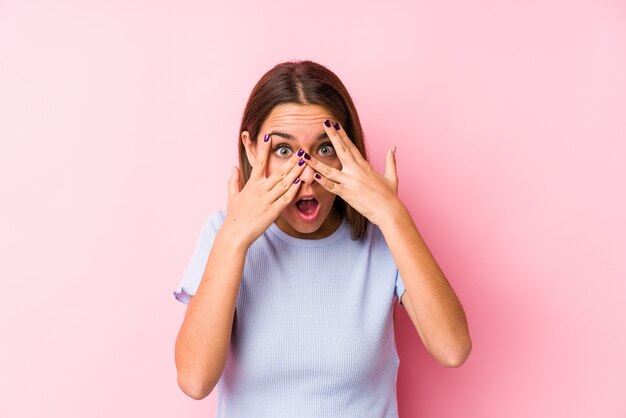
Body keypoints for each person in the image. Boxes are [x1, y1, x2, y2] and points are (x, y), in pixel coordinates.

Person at [173, 60, 471, 417]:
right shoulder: (222, 235)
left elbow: (452, 349)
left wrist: (393, 215)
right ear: (252, 150)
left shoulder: (382, 237)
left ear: (350, 151)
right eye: (284, 151)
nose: (306, 172)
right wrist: (234, 238)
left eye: (325, 148)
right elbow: (194, 380)